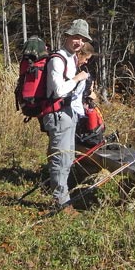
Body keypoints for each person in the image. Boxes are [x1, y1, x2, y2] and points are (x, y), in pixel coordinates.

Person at [42, 19, 92, 213]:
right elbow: (59, 90)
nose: (78, 41)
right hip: (58, 114)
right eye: (76, 37)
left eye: (82, 39)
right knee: (60, 158)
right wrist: (78, 78)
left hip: (69, 113)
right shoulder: (57, 59)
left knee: (68, 158)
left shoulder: (72, 58)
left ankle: (62, 197)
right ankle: (60, 203)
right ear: (68, 36)